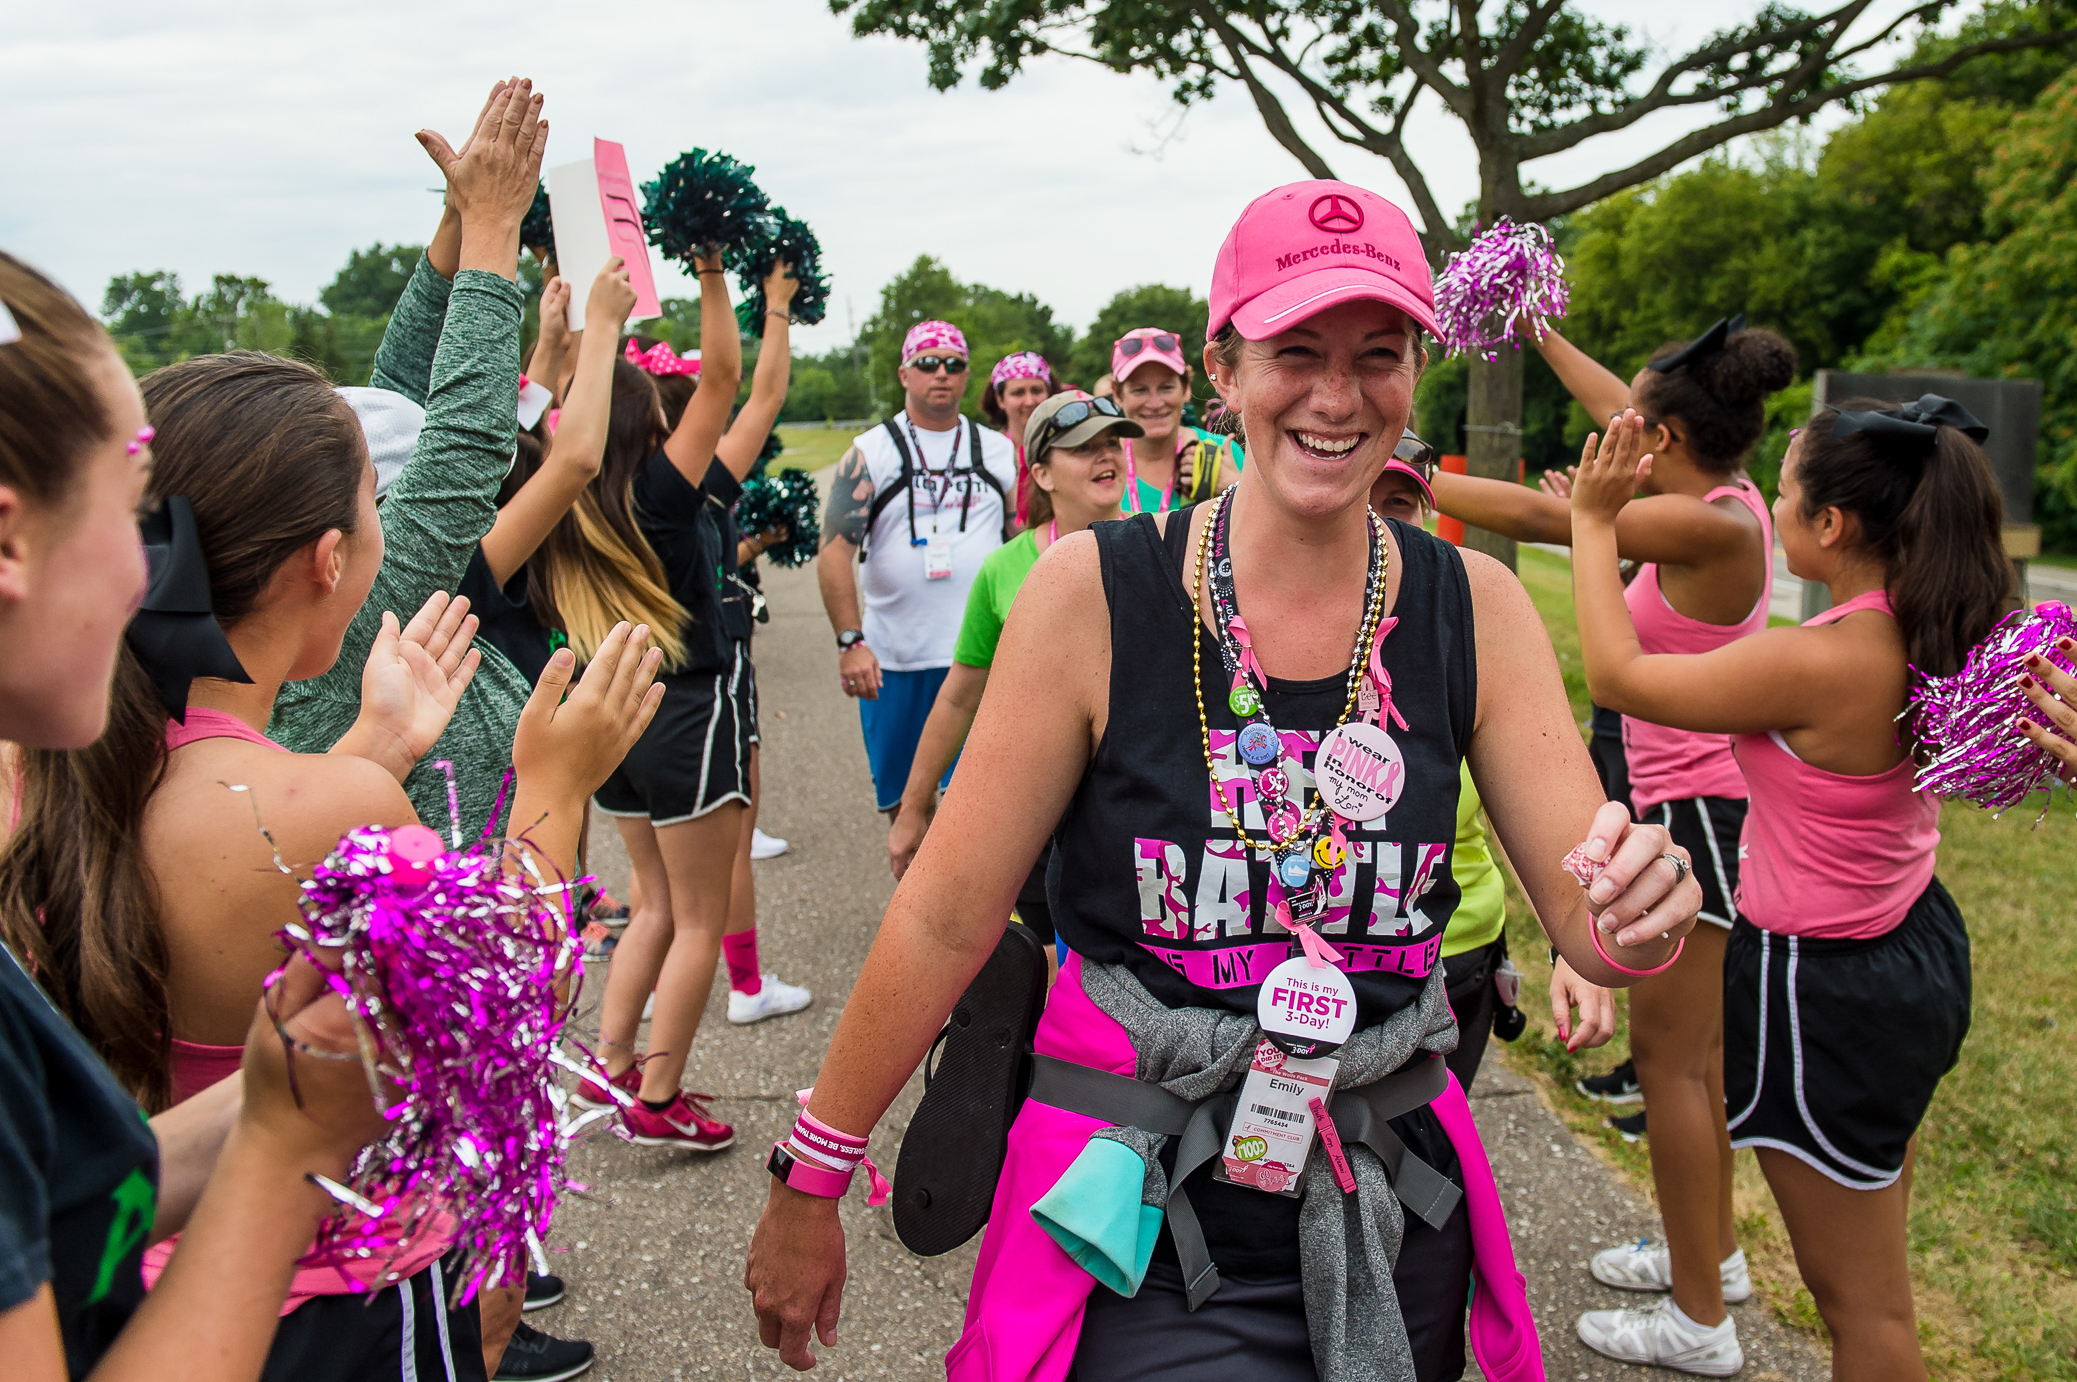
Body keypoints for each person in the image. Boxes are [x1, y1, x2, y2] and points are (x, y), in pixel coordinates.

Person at [747, 178, 1702, 1381]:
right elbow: (945, 910)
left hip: (1388, 1205)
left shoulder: (1476, 609)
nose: (1337, 396)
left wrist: (1637, 912)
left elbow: (1589, 918)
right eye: (1294, 351)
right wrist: (815, 1167)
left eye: (1379, 354)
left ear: (1416, 371)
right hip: (1136, 1209)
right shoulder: (1093, 596)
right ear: (1222, 370)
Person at [0, 247, 651, 1382]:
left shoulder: (62, 779)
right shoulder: (329, 805)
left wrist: (373, 750)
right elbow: (501, 1020)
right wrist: (554, 786)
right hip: (338, 1303)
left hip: (151, 1283)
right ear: (332, 556)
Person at [1565, 400, 2008, 1378]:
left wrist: (1593, 523)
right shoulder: (1938, 626)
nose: (1770, 505)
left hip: (1826, 992)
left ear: (1831, 525)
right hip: (1914, 950)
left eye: (1784, 491)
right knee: (1875, 1248)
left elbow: (1617, 674)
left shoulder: (1819, 659)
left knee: (1863, 1309)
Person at [1431, 318, 1797, 1338]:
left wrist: (1402, 470)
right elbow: (1619, 410)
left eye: (1636, 421)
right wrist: (1538, 331)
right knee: (1693, 1067)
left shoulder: (1703, 526)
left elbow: (1536, 516)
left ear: (1663, 440)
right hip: (1692, 808)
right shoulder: (1719, 493)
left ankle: (1697, 1322)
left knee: (1672, 1070)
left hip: (1696, 819)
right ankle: (1708, 1256)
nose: (1618, 425)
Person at [270, 78, 549, 846]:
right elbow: (463, 447)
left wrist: (458, 220)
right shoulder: (353, 610)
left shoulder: (274, 589)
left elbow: (394, 391)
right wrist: (493, 224)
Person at [592, 264, 814, 1035]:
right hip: (689, 700)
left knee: (651, 894)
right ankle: (668, 1074)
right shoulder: (672, 494)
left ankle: (620, 1053)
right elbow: (753, 392)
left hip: (613, 706)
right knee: (702, 899)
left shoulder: (577, 495)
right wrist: (746, 287)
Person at [1367, 442, 1616, 1086]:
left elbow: (1528, 808)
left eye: (1399, 505)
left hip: (1456, 954)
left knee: (1435, 1141)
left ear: (1427, 514)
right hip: (1313, 971)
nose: (1378, 526)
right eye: (1359, 501)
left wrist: (1573, 939)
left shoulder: (1468, 628)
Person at [885, 390, 1140, 953]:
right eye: (1084, 447)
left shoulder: (1163, 548)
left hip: (1133, 810)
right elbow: (960, 695)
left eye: (1111, 443)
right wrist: (914, 806)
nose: (1106, 456)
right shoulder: (1003, 569)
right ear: (1042, 474)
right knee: (1040, 963)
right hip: (1035, 813)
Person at [816, 321, 1017, 816]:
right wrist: (850, 642)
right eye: (927, 363)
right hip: (895, 661)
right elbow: (834, 552)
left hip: (981, 658)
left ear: (967, 375)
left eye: (953, 364)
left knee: (977, 810)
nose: (941, 373)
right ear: (904, 374)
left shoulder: (998, 449)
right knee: (905, 807)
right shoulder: (870, 451)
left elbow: (1020, 540)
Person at [1110, 327, 1242, 513]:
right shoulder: (1104, 464)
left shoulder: (1224, 454)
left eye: (1166, 388)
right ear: (1117, 394)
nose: (1155, 404)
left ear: (1186, 388)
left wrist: (1233, 488)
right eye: (1139, 390)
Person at [980, 351, 1064, 530]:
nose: (1029, 401)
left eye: (1037, 391)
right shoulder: (986, 451)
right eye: (1018, 393)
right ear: (1000, 399)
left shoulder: (1066, 447)